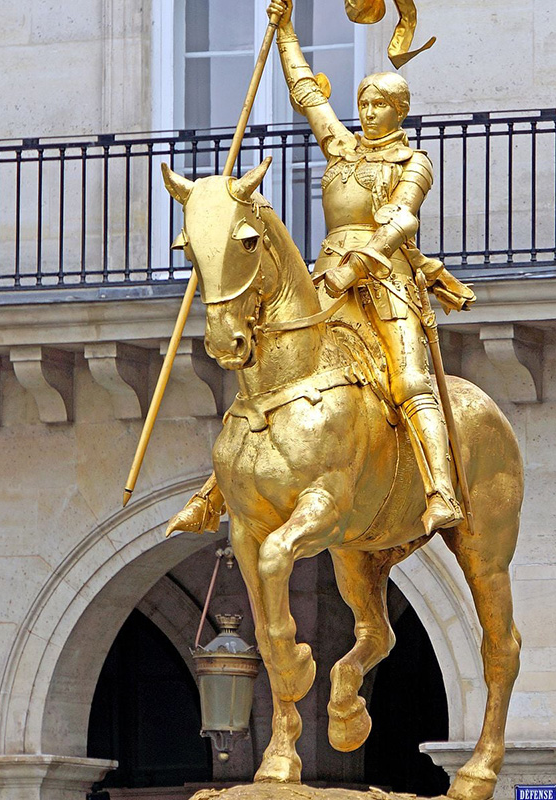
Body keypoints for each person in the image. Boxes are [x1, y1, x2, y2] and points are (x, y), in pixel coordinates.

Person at [167, 0, 475, 537]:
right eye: (364, 102)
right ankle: (214, 493)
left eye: (379, 104)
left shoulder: (412, 162)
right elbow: (306, 94)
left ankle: (441, 489)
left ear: (399, 111)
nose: (369, 111)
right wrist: (286, 31)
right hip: (326, 272)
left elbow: (401, 221)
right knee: (269, 363)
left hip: (384, 279)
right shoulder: (341, 151)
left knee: (408, 379)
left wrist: (357, 267)